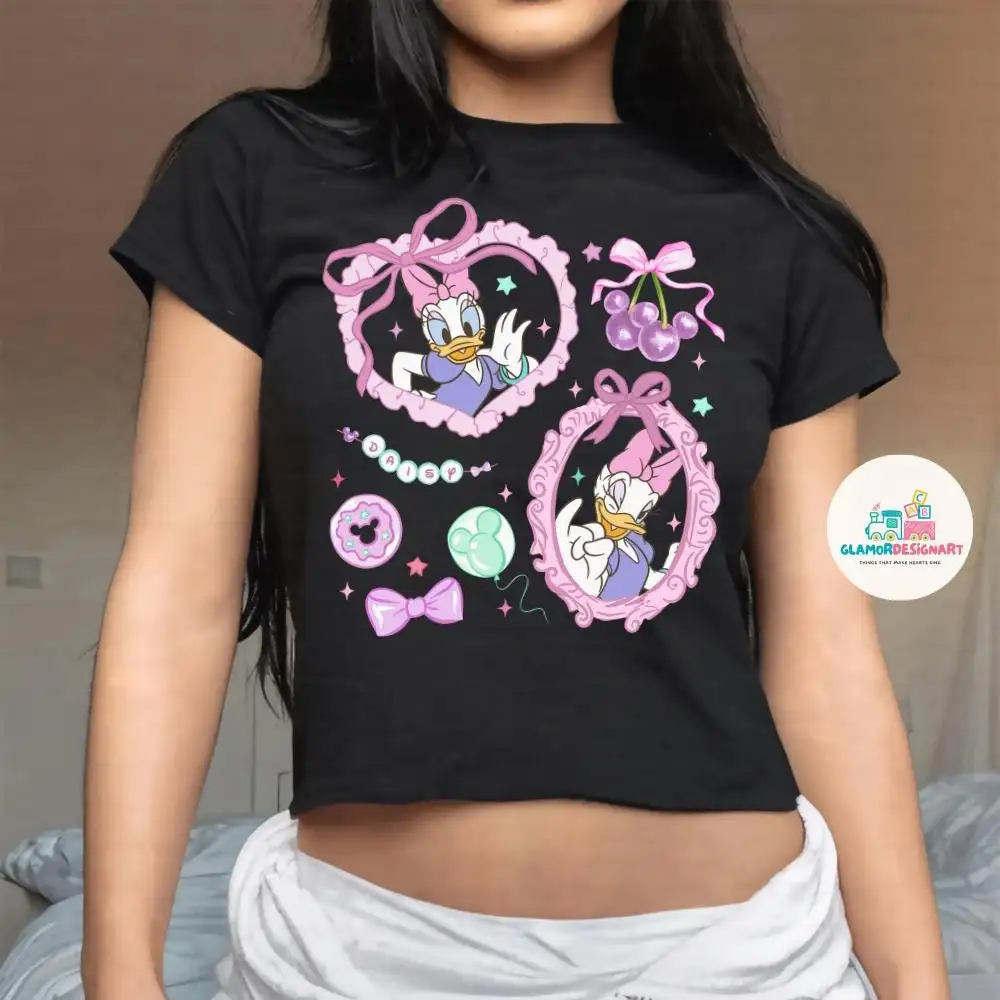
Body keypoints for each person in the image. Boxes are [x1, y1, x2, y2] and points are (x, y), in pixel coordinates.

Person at [81, 2, 951, 998]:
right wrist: (119, 971)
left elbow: (828, 652)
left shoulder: (784, 236)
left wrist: (919, 985)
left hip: (740, 959)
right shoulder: (252, 168)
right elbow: (175, 593)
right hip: (358, 959)